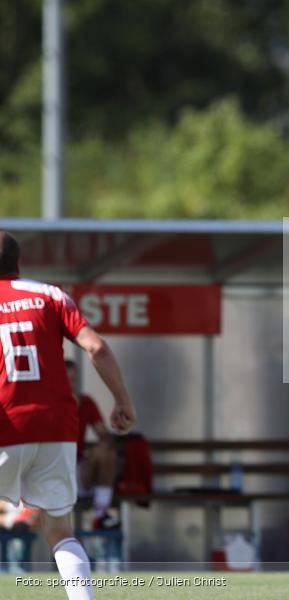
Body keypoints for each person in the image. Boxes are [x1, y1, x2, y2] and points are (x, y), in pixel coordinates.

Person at [0, 232, 137, 600]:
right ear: (19, 263)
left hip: (6, 426)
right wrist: (123, 400)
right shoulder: (50, 295)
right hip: (55, 429)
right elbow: (96, 346)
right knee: (60, 531)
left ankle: (14, 514)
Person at [65, 359, 120, 530]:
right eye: (66, 379)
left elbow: (104, 435)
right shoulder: (48, 403)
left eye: (74, 379)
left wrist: (99, 449)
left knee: (107, 454)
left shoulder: (85, 402)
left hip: (78, 470)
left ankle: (100, 514)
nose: (71, 384)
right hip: (52, 472)